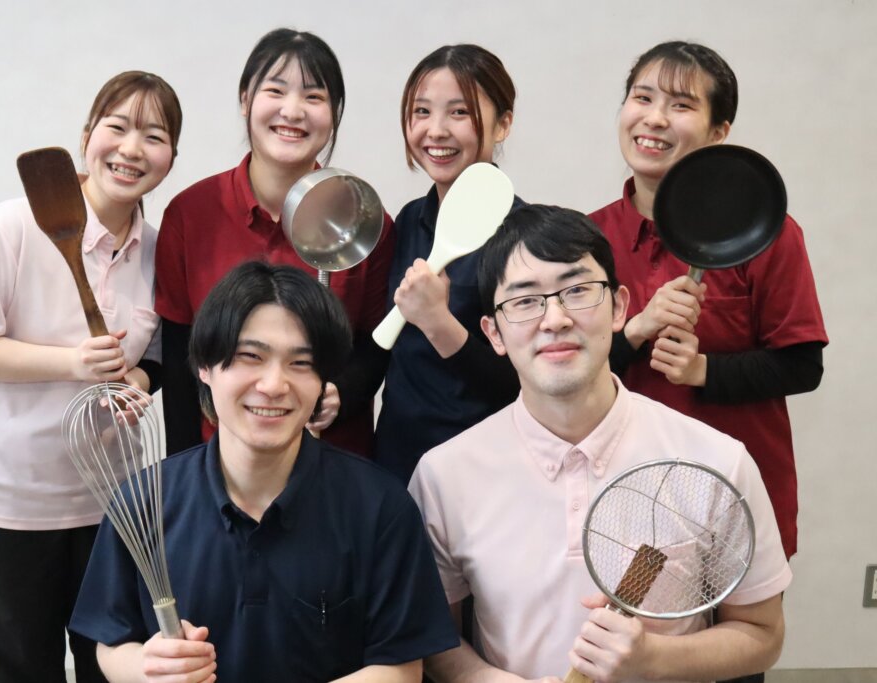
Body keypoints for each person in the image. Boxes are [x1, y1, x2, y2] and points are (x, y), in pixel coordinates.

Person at [409, 205, 790, 682]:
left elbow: (762, 634)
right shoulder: (444, 475)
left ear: (619, 308)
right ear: (494, 333)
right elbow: (436, 640)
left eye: (577, 290)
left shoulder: (718, 460)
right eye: (524, 301)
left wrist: (655, 659)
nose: (555, 319)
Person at [70, 261, 458, 682]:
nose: (273, 385)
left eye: (301, 363)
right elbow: (112, 642)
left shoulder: (380, 507)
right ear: (205, 366)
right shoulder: (142, 500)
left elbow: (401, 668)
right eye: (250, 357)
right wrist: (150, 669)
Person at [0, 71, 182, 682]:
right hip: (11, 500)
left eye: (154, 136)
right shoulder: (9, 227)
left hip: (113, 501)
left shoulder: (160, 248)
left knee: (111, 665)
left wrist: (136, 388)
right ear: (87, 134)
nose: (132, 149)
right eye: (118, 127)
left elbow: (157, 357)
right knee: (25, 665)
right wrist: (71, 363)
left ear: (171, 157)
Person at [590, 41, 827, 562]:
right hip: (627, 505)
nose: (654, 118)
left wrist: (703, 371)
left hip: (738, 501)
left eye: (681, 105)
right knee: (635, 613)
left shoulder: (765, 233)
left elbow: (802, 365)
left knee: (743, 617)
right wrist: (635, 330)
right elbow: (566, 375)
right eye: (642, 98)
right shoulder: (587, 240)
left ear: (718, 132)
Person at [154, 28, 394, 458]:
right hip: (222, 463)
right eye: (276, 90)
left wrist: (343, 393)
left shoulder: (363, 220)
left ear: (335, 113)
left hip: (334, 461)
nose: (293, 110)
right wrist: (182, 475)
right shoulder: (189, 215)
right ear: (245, 100)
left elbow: (377, 344)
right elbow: (178, 360)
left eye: (314, 97)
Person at [374, 44, 522, 485]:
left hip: (483, 471)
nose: (435, 131)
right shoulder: (407, 220)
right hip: (397, 460)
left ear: (503, 124)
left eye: (459, 113)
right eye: (421, 111)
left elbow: (523, 382)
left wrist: (438, 322)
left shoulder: (525, 237)